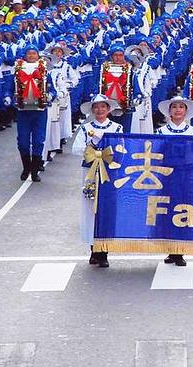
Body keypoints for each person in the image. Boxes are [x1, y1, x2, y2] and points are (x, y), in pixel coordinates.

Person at [74, 94, 125, 269]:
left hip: (109, 172)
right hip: (90, 171)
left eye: (103, 107)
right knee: (91, 207)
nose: (99, 110)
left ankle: (104, 251)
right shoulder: (86, 128)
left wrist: (107, 154)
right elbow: (76, 148)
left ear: (108, 109)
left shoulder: (116, 128)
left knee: (106, 208)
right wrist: (94, 152)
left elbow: (121, 148)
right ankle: (93, 249)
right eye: (96, 107)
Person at [154, 95, 193, 266]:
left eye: (181, 107)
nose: (178, 110)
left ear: (186, 111)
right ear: (169, 111)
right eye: (174, 107)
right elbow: (156, 154)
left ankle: (180, 250)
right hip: (168, 176)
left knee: (185, 210)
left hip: (187, 175)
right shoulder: (161, 132)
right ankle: (171, 249)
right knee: (168, 211)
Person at [14, 46, 52, 182]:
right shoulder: (18, 68)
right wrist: (9, 96)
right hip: (23, 112)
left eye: (34, 53)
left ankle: (35, 171)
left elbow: (51, 88)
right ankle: (26, 167)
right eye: (29, 53)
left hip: (39, 111)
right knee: (23, 141)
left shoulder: (44, 68)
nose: (31, 56)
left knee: (38, 140)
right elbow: (12, 87)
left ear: (38, 55)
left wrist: (50, 96)